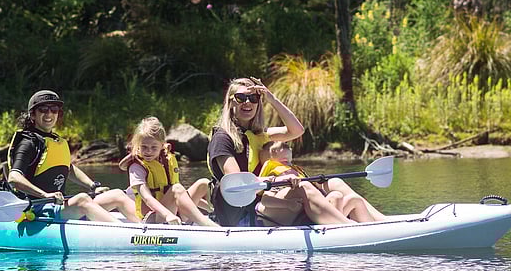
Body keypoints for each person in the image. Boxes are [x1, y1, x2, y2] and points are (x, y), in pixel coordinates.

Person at [5, 90, 140, 223]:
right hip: (36, 208)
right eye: (43, 109)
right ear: (33, 115)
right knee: (82, 199)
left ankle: (149, 232)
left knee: (117, 195)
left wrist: (93, 186)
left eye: (54, 109)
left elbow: (68, 169)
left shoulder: (56, 141)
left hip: (57, 205)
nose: (49, 114)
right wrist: (45, 195)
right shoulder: (27, 143)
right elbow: (14, 177)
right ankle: (130, 237)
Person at [206, 76, 305, 226]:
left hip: (264, 205)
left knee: (333, 186)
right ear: (230, 102)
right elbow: (236, 180)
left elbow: (296, 130)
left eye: (253, 98)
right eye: (241, 98)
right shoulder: (222, 138)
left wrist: (271, 99)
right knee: (304, 190)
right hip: (241, 215)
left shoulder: (259, 135)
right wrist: (277, 180)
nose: (247, 102)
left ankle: (341, 222)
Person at [119, 116, 220, 227]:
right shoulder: (136, 167)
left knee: (204, 183)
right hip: (155, 216)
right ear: (138, 145)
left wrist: (209, 208)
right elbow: (147, 198)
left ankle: (217, 214)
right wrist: (168, 215)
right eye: (144, 147)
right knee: (176, 188)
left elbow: (181, 195)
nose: (148, 151)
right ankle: (208, 226)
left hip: (175, 212)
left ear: (162, 145)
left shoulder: (167, 159)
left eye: (154, 147)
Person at [256, 141, 385, 226]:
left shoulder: (297, 172)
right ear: (273, 160)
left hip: (307, 213)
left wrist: (318, 182)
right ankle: (348, 226)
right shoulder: (274, 175)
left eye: (288, 162)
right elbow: (266, 200)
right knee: (304, 186)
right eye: (283, 162)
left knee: (348, 198)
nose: (287, 165)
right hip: (281, 215)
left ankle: (377, 225)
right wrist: (288, 204)